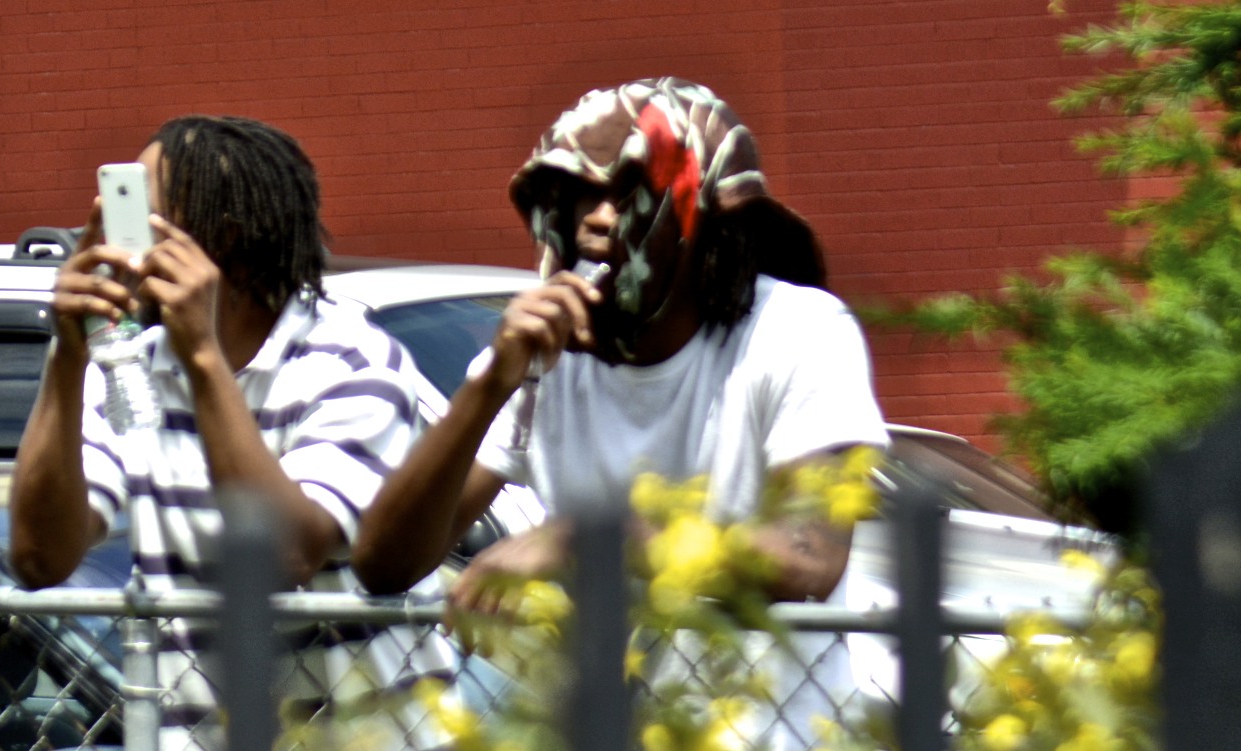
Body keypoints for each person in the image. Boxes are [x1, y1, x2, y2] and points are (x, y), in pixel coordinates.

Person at [7, 119, 463, 751]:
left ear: (222, 235)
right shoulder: (130, 366)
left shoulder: (351, 360)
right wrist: (70, 354)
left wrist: (202, 354)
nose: (119, 237)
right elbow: (39, 557)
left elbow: (286, 553)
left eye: (144, 211)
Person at [352, 77, 888, 606]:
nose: (597, 217)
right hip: (600, 669)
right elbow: (385, 566)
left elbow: (809, 558)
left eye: (631, 192)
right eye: (582, 191)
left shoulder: (798, 327)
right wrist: (490, 385)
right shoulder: (544, 355)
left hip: (765, 669)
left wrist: (591, 541)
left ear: (708, 218)